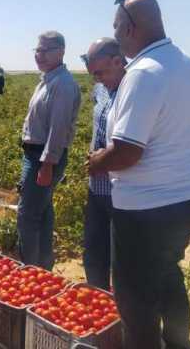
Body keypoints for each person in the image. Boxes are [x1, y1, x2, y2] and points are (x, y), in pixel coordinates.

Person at [88, 0, 190, 348]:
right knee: (166, 275)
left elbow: (127, 152)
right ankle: (179, 344)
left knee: (134, 299)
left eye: (116, 27)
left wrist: (98, 162)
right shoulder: (186, 63)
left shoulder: (143, 72)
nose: (115, 33)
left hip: (148, 209)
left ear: (129, 27)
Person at [17, 31, 81, 270]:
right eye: (37, 50)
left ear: (61, 51)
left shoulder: (62, 84)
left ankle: (30, 271)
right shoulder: (47, 80)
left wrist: (47, 165)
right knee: (42, 213)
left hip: (42, 158)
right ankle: (43, 269)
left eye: (46, 50)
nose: (39, 55)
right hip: (36, 156)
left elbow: (59, 129)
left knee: (27, 216)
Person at [80, 38, 126, 292]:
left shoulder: (134, 91)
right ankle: (97, 301)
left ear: (118, 62)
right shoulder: (100, 90)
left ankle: (122, 312)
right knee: (94, 249)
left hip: (121, 189)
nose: (97, 79)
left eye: (100, 72)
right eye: (92, 74)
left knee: (122, 258)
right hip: (96, 185)